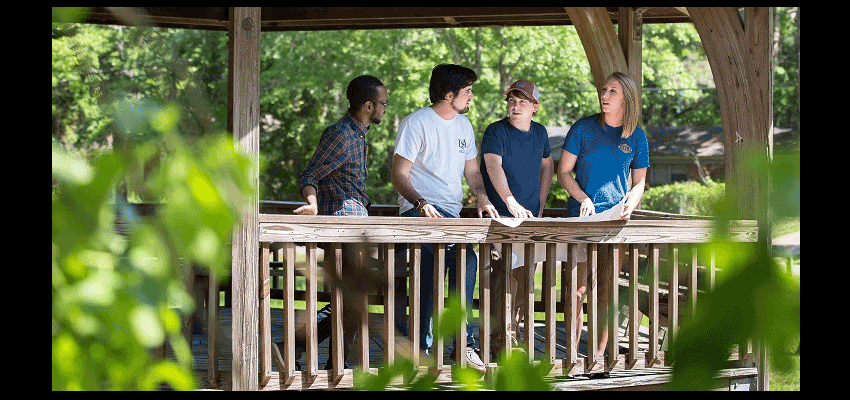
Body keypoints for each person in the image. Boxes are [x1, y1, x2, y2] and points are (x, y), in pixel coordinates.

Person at [272, 75, 389, 372]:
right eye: (383, 104)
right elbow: (310, 174)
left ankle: (331, 361)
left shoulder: (360, 135)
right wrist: (312, 204)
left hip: (356, 227)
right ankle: (295, 348)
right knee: (348, 300)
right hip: (340, 228)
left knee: (353, 302)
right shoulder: (340, 134)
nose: (385, 109)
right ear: (367, 105)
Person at [391, 64, 497, 372]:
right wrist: (420, 202)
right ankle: (422, 353)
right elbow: (398, 174)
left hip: (451, 216)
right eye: (467, 92)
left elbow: (473, 172)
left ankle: (461, 345)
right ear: (448, 94)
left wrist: (481, 196)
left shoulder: (464, 126)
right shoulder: (417, 123)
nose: (471, 97)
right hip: (418, 212)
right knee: (427, 277)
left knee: (468, 262)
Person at [557, 71, 650, 376]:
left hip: (615, 223)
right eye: (603, 89)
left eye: (612, 91)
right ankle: (572, 355)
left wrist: (630, 205)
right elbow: (564, 173)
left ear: (626, 97)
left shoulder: (636, 135)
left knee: (606, 292)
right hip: (582, 221)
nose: (604, 95)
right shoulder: (583, 128)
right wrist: (583, 197)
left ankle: (598, 358)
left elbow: (639, 183)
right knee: (578, 289)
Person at [480, 79, 553, 359]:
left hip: (529, 223)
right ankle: (502, 344)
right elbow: (492, 166)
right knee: (501, 285)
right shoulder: (496, 131)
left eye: (523, 101)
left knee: (523, 286)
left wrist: (541, 202)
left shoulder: (540, 133)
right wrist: (510, 201)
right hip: (498, 222)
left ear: (535, 107)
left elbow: (548, 165)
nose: (515, 105)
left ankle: (514, 337)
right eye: (512, 99)